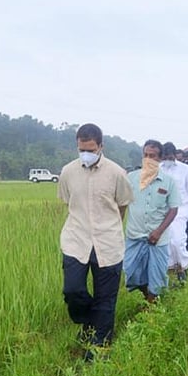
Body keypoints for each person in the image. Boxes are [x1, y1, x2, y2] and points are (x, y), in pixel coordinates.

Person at [57, 123, 134, 360]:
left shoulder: (117, 173)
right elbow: (68, 201)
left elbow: (122, 204)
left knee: (105, 300)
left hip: (108, 243)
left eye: (90, 149)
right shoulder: (68, 172)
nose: (86, 154)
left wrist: (109, 226)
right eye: (82, 149)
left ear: (101, 146)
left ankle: (98, 350)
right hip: (76, 240)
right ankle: (89, 321)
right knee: (72, 290)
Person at [124, 140, 180, 303]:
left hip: (158, 239)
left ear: (160, 158)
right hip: (134, 235)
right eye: (146, 155)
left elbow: (173, 209)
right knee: (131, 272)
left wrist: (158, 231)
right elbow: (121, 203)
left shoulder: (168, 182)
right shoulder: (131, 178)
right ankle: (146, 294)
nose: (148, 159)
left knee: (157, 277)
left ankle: (151, 308)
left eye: (153, 156)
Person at [159, 142, 188, 283]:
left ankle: (184, 265)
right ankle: (172, 271)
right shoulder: (158, 168)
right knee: (166, 243)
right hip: (162, 210)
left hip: (181, 210)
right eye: (165, 157)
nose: (167, 160)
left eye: (170, 157)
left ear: (175, 155)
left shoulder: (185, 169)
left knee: (177, 240)